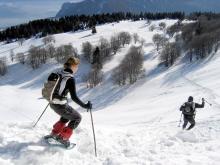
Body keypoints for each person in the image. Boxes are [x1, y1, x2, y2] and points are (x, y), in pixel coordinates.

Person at [48, 57, 92, 145]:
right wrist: (85, 106)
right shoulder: (70, 78)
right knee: (77, 118)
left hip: (52, 103)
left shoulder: (59, 72)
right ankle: (63, 138)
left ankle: (54, 134)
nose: (77, 68)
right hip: (60, 106)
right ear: (73, 66)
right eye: (77, 66)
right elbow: (74, 97)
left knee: (66, 116)